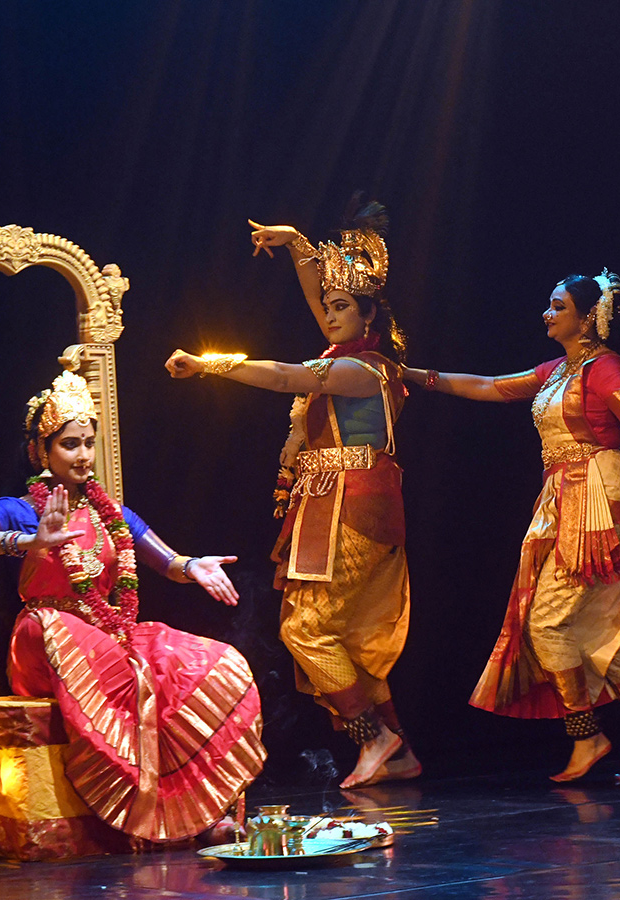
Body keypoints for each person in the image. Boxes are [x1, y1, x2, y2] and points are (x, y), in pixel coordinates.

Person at [402, 270, 620, 781]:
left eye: (558, 306)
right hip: (565, 496)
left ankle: (587, 735)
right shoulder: (558, 370)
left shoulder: (605, 368)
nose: (547, 314)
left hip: (602, 498)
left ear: (587, 316)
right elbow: (490, 386)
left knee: (548, 622)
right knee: (602, 631)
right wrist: (416, 377)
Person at [165, 199, 421, 789]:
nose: (328, 315)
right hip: (325, 502)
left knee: (306, 631)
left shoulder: (369, 370)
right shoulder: (343, 353)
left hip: (355, 503)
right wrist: (298, 244)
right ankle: (398, 752)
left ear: (368, 315)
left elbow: (285, 376)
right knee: (344, 636)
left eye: (341, 307)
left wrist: (208, 365)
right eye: (326, 306)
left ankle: (375, 736)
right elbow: (317, 300)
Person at [0, 370, 265, 843]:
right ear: (41, 450)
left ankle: (193, 814)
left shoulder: (112, 513)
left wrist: (193, 566)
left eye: (88, 443)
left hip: (110, 632)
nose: (82, 455)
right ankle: (137, 815)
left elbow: (166, 558)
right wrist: (29, 540)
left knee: (205, 664)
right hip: (46, 634)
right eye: (69, 444)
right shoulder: (19, 507)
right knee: (117, 666)